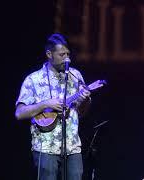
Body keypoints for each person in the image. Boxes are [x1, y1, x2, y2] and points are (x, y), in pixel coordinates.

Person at [15, 33, 91, 180]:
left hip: (72, 147)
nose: (67, 58)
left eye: (68, 54)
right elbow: (19, 113)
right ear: (49, 54)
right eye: (62, 54)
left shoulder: (76, 76)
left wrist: (85, 101)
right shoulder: (34, 79)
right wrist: (45, 104)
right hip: (45, 148)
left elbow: (82, 113)